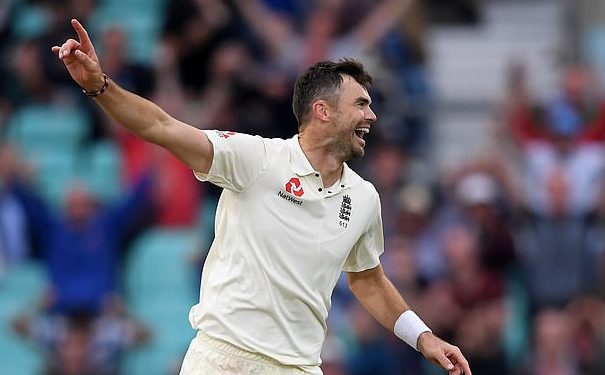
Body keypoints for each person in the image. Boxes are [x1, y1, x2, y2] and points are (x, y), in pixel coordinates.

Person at [52, 19, 472, 375]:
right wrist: (100, 86)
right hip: (221, 359)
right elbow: (162, 126)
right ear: (323, 111)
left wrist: (423, 337)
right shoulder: (257, 158)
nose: (371, 115)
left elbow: (367, 278)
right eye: (360, 104)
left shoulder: (364, 199)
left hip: (299, 367)